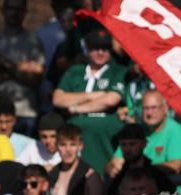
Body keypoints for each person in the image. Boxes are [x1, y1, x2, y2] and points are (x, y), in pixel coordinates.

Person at [52, 28, 126, 172]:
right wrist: (92, 95)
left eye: (105, 48)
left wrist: (75, 108)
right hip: (75, 133)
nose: (100, 52)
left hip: (106, 133)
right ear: (87, 49)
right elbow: (58, 99)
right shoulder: (75, 71)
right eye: (95, 48)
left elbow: (111, 100)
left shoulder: (118, 71)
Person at [106, 91, 181, 195]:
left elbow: (175, 166)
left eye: (154, 108)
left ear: (165, 108)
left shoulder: (175, 130)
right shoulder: (137, 131)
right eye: (146, 108)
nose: (149, 113)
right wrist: (111, 168)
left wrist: (140, 170)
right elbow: (115, 163)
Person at [0, 0, 44, 136]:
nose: (14, 13)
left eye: (18, 9)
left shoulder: (33, 41)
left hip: (27, 111)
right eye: (10, 9)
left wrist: (5, 64)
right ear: (3, 10)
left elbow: (36, 79)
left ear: (25, 13)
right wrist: (21, 69)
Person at [105, 123, 175, 195]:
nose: (127, 149)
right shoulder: (120, 177)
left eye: (132, 144)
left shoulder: (157, 176)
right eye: (123, 144)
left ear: (144, 144)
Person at [47, 124, 104, 195]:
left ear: (80, 146)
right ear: (57, 146)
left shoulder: (89, 175)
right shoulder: (52, 174)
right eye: (63, 144)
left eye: (73, 144)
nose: (68, 149)